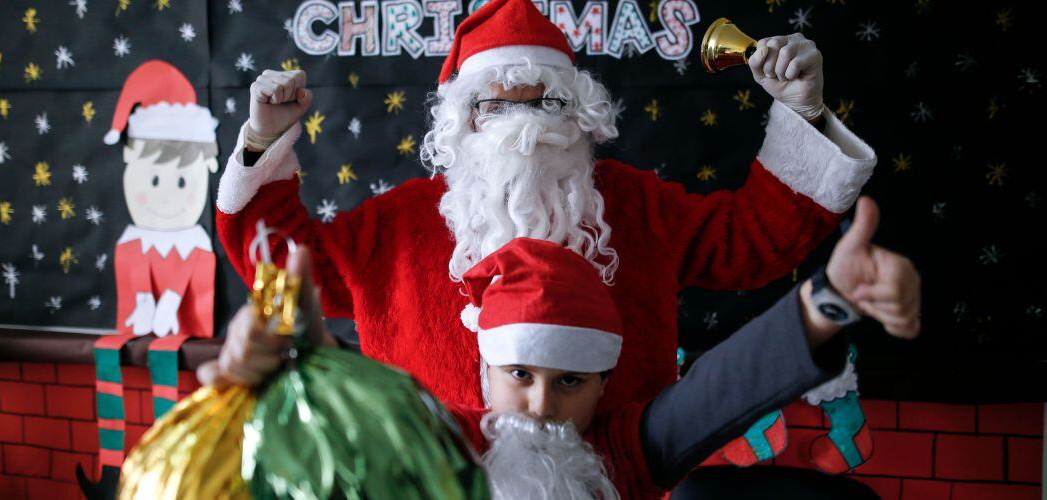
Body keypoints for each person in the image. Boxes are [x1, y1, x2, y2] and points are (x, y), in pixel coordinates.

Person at [214, 0, 878, 412]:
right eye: (495, 104)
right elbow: (287, 268)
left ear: (579, 113)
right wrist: (266, 141)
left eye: (543, 102)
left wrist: (802, 110)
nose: (520, 125)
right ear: (459, 122)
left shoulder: (637, 207)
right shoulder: (398, 224)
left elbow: (752, 242)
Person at [201, 196, 920, 499]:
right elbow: (377, 416)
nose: (543, 405)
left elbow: (719, 389)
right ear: (483, 368)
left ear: (604, 383)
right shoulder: (450, 441)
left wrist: (824, 302)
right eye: (520, 374)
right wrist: (302, 366)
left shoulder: (623, 453)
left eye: (570, 382)